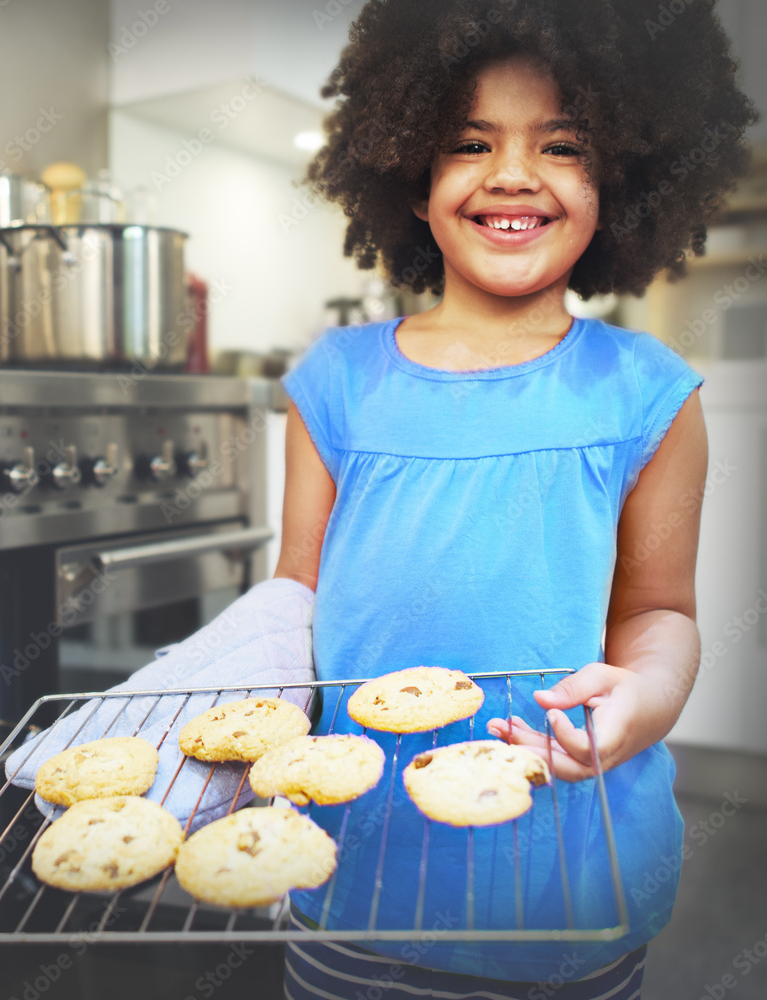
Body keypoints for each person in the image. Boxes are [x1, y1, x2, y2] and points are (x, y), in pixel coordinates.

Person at [274, 1, 757, 996]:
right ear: (407, 172)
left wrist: (644, 701)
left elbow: (658, 613)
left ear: (620, 175)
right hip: (358, 878)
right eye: (466, 141)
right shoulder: (334, 382)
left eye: (563, 144)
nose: (510, 175)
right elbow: (292, 607)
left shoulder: (648, 392)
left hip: (570, 886)